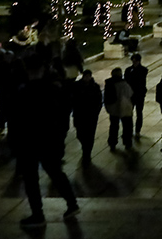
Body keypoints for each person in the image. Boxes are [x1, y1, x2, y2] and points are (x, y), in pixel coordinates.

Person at [15, 55, 79, 228]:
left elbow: (17, 120)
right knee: (56, 172)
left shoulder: (24, 92)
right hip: (50, 139)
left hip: (30, 141)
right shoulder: (53, 89)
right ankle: (72, 204)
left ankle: (38, 214)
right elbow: (64, 111)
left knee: (31, 179)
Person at [72, 70, 102, 166]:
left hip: (91, 116)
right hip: (79, 115)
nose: (87, 78)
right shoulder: (76, 86)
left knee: (90, 136)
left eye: (88, 76)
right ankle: (85, 148)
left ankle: (86, 154)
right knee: (80, 134)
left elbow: (99, 101)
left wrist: (96, 112)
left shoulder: (95, 87)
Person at [104, 67, 134, 151]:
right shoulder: (124, 84)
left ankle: (112, 143)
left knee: (113, 126)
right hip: (124, 107)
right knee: (127, 126)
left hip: (113, 109)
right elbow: (130, 94)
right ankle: (127, 142)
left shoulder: (108, 84)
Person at [124, 53, 148, 138]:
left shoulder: (143, 70)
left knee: (139, 113)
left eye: (136, 61)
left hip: (139, 94)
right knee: (129, 114)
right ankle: (129, 130)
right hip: (130, 95)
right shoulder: (128, 70)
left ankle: (138, 130)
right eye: (133, 61)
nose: (134, 62)